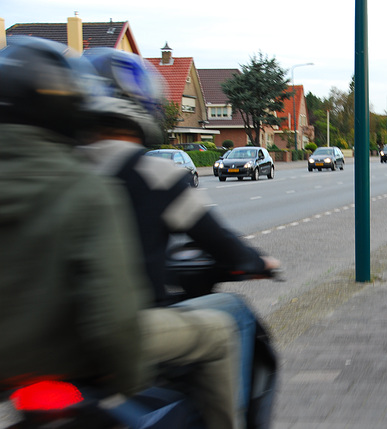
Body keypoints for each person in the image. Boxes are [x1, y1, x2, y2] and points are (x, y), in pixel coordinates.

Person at [0, 37, 243, 429]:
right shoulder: (88, 187)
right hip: (78, 350)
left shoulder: (78, 168)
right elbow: (112, 315)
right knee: (221, 332)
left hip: (13, 369)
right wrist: (128, 378)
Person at [78, 48, 280, 428]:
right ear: (143, 104)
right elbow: (216, 239)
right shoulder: (154, 173)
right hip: (127, 328)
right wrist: (258, 261)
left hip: (52, 338)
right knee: (232, 319)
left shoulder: (62, 167)